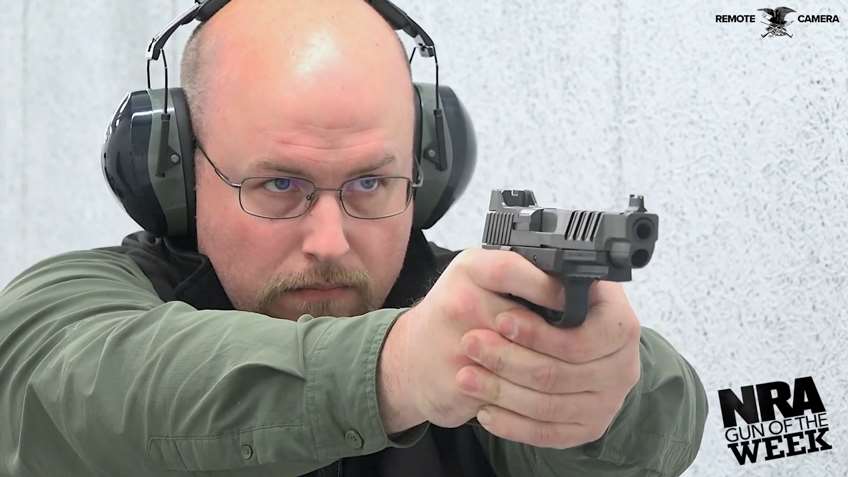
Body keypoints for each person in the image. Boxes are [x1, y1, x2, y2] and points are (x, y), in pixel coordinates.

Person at [0, 0, 707, 476]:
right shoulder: (71, 308)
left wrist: (601, 387)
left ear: (425, 175)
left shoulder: (466, 318)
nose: (331, 241)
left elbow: (665, 420)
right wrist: (396, 369)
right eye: (280, 185)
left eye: (371, 183)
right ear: (174, 173)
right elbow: (81, 392)